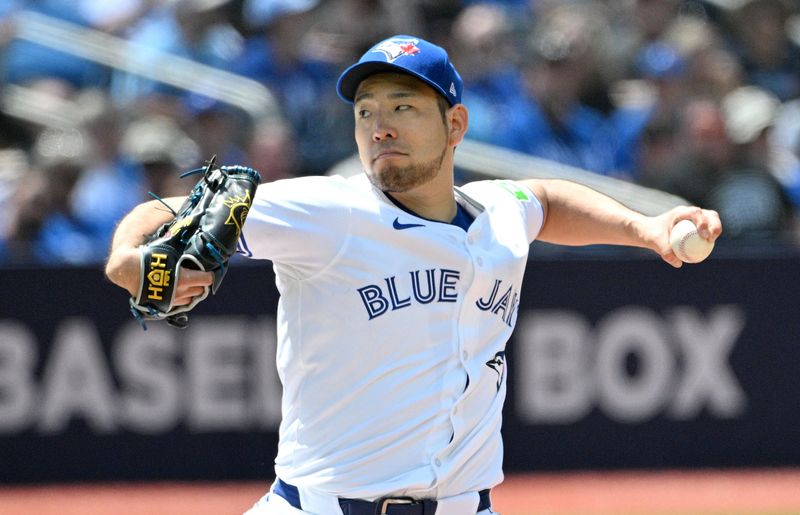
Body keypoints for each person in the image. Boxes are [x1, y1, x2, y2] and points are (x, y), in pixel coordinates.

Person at [105, 35, 722, 515]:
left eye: (404, 106)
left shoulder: (498, 215)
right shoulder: (331, 212)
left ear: (455, 125)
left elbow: (546, 200)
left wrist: (645, 228)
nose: (381, 126)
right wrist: (131, 257)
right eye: (367, 110)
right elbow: (159, 215)